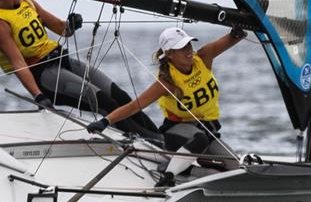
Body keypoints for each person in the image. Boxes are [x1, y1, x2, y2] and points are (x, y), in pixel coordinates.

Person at [0, 0, 158, 137]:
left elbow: (61, 29)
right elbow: (18, 63)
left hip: (62, 60)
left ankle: (160, 138)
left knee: (120, 95)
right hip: (43, 75)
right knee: (104, 102)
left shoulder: (27, 2)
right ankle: (148, 141)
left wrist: (72, 24)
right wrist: (38, 96)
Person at [86, 26, 246, 186]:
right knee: (202, 145)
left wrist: (240, 28)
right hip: (177, 134)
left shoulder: (204, 57)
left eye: (189, 44)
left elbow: (235, 36)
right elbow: (134, 106)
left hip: (207, 130)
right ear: (169, 54)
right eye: (181, 48)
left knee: (236, 168)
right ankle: (168, 174)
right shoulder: (166, 82)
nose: (188, 50)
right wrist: (105, 122)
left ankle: (185, 167)